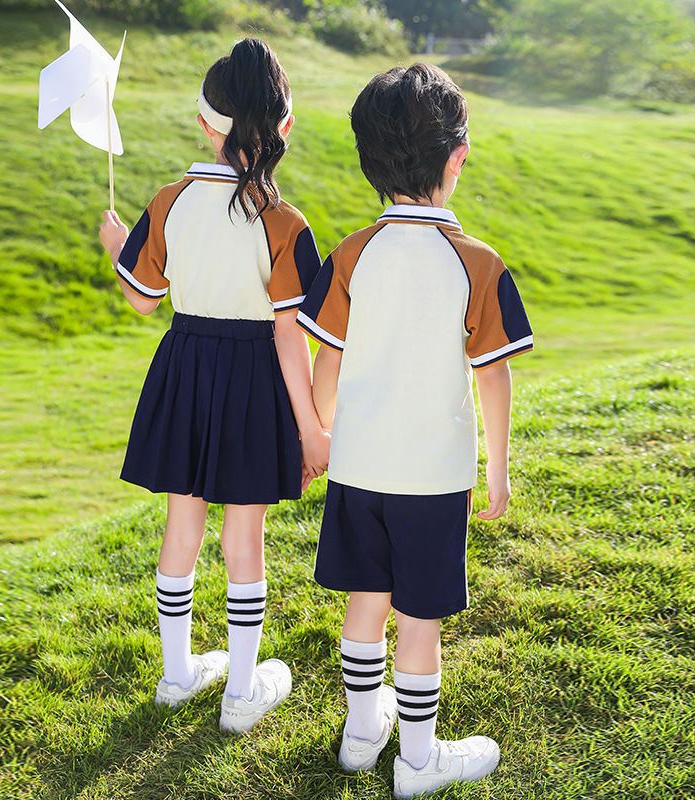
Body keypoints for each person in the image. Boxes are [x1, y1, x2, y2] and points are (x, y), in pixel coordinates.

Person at [298, 64, 533, 796]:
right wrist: (496, 468)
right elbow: (492, 374)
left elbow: (324, 359)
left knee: (363, 600)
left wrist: (320, 430)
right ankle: (419, 762)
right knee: (420, 618)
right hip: (433, 478)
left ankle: (363, 732)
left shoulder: (350, 253)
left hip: (358, 469)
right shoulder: (479, 264)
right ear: (456, 158)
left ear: (369, 162)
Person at [98, 38, 329, 734]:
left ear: (207, 123)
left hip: (186, 368)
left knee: (183, 523)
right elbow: (292, 335)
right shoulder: (287, 223)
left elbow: (143, 298)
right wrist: (313, 426)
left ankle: (176, 676)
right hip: (255, 377)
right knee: (244, 537)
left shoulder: (169, 201)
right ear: (283, 126)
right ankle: (240, 694)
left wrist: (117, 247)